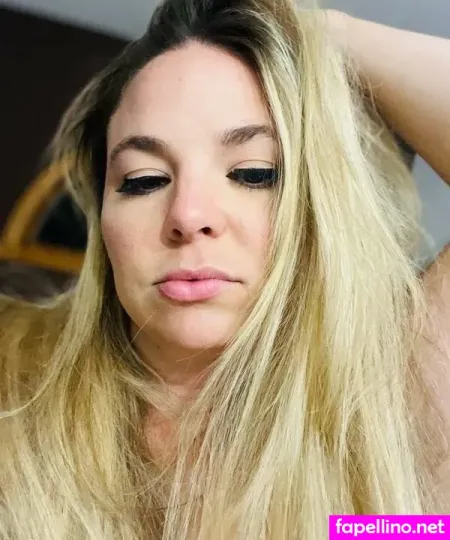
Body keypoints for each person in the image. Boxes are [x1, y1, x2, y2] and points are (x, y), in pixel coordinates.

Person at [0, 0, 449, 538]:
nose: (188, 216)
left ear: (324, 206)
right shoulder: (13, 380)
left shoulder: (400, 393)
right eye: (144, 180)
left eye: (254, 173)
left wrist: (312, 30)